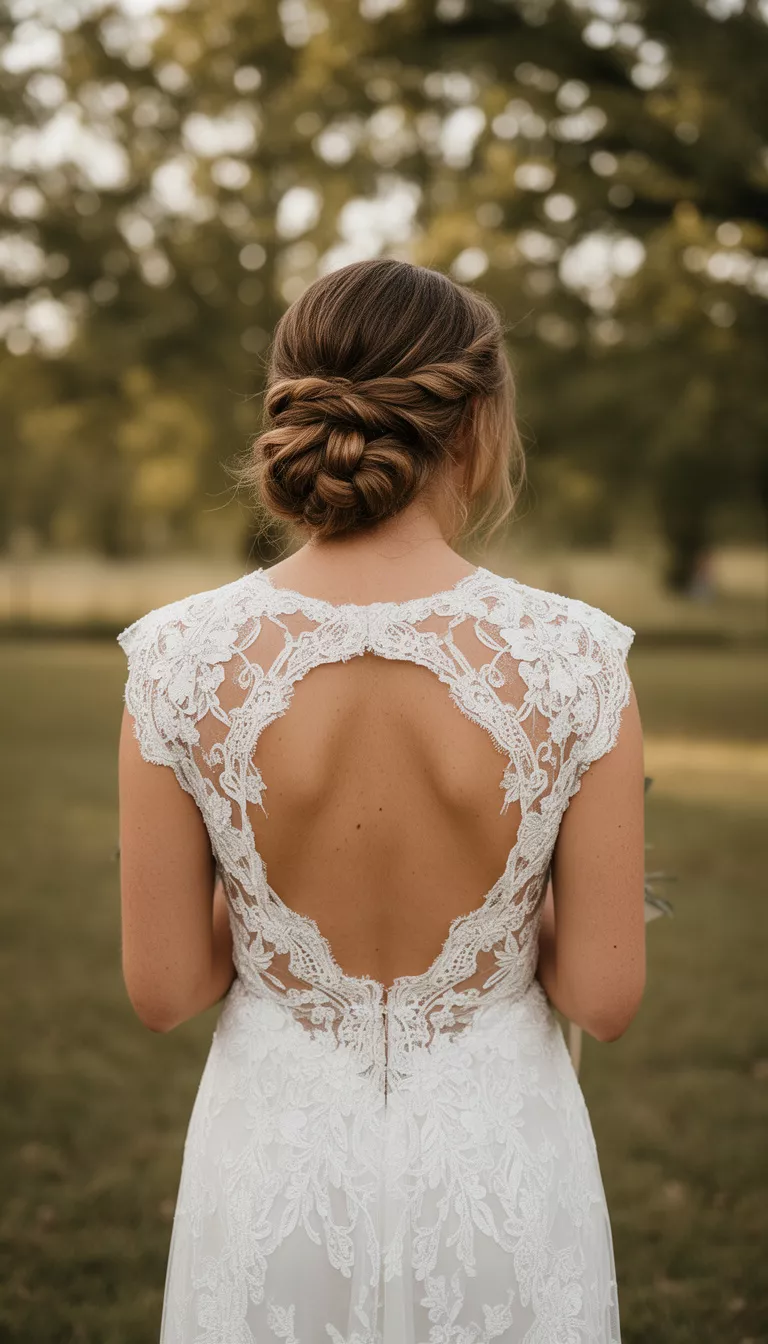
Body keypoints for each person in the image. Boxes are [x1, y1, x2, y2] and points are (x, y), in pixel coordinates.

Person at [117, 258, 645, 1344]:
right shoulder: (575, 660)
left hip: (272, 1179)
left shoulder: (177, 660)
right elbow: (603, 995)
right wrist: (527, 904)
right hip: (500, 1175)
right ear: (479, 428)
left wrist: (266, 898)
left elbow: (166, 988)